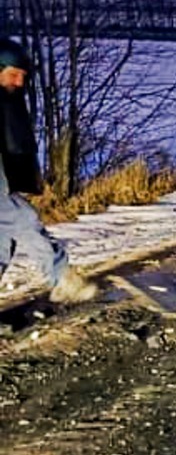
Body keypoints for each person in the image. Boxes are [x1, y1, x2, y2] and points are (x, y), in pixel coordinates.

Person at [0, 39, 96, 304]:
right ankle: (61, 277)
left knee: (3, 240)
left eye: (22, 76)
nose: (19, 82)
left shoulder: (8, 99)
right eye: (14, 75)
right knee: (23, 220)